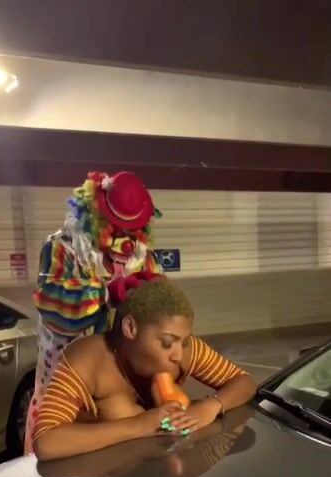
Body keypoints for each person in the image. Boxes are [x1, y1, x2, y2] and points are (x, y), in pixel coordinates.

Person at [33, 275, 257, 461]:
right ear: (130, 328)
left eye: (184, 342)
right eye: (167, 343)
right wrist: (140, 425)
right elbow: (46, 442)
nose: (178, 355)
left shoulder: (186, 350)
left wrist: (210, 407)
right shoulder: (88, 359)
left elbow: (244, 382)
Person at [24, 170, 162, 454]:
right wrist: (105, 293)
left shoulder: (143, 255)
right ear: (96, 218)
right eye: (116, 229)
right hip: (66, 386)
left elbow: (156, 317)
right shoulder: (61, 248)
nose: (125, 239)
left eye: (132, 230)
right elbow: (51, 302)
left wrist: (155, 299)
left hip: (121, 391)